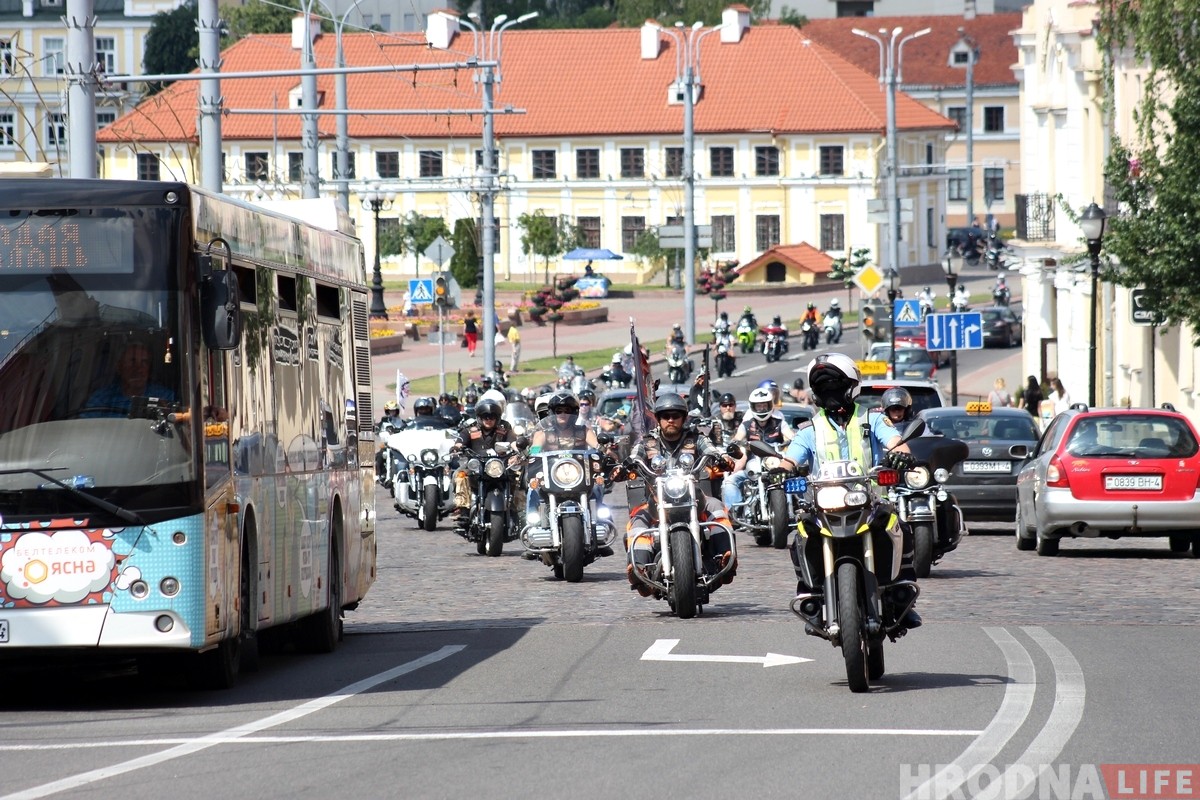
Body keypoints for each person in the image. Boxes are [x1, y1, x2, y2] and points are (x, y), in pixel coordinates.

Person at [778, 353, 921, 629]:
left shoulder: (873, 419)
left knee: (901, 527)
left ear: (852, 386)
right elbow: (790, 459)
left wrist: (901, 454)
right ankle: (811, 596)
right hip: (824, 503)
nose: (831, 394)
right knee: (801, 536)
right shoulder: (811, 429)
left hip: (872, 498)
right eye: (825, 389)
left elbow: (897, 443)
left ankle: (902, 594)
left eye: (836, 386)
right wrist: (781, 469)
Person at [624, 393, 737, 596]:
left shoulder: (696, 439)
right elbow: (633, 457)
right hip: (656, 500)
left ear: (684, 418)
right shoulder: (647, 442)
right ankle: (639, 567)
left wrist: (722, 457)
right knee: (637, 520)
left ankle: (724, 556)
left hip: (693, 496)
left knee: (717, 506)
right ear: (658, 418)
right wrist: (624, 467)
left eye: (675, 415)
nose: (670, 420)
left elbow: (712, 449)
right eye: (665, 415)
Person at [525, 391, 605, 520]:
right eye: (559, 411)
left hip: (580, 476)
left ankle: (600, 519)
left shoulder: (584, 431)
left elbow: (597, 446)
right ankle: (532, 521)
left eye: (567, 411)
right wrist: (526, 455)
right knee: (532, 488)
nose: (563, 414)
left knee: (597, 486)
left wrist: (605, 449)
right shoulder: (542, 434)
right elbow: (534, 451)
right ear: (552, 413)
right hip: (552, 476)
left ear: (573, 413)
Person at [721, 386, 795, 515]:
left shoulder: (779, 423)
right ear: (753, 407)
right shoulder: (747, 425)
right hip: (753, 464)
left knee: (799, 478)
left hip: (775, 464)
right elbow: (738, 437)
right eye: (758, 406)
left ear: (770, 405)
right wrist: (736, 442)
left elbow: (790, 435)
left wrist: (793, 439)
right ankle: (734, 513)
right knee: (730, 480)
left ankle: (801, 507)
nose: (761, 409)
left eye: (764, 406)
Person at [451, 397, 516, 529]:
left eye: (492, 416)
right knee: (460, 475)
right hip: (476, 467)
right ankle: (463, 509)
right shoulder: (470, 429)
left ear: (497, 417)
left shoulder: (505, 429)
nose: (488, 419)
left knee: (519, 474)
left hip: (500, 467)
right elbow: (460, 440)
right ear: (479, 417)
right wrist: (457, 448)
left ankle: (517, 508)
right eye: (485, 416)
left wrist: (518, 449)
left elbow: (513, 442)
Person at [84, 341, 176, 417]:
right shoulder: (101, 399)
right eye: (132, 361)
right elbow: (86, 430)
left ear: (149, 369)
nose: (138, 369)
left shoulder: (165, 397)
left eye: (144, 362)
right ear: (119, 367)